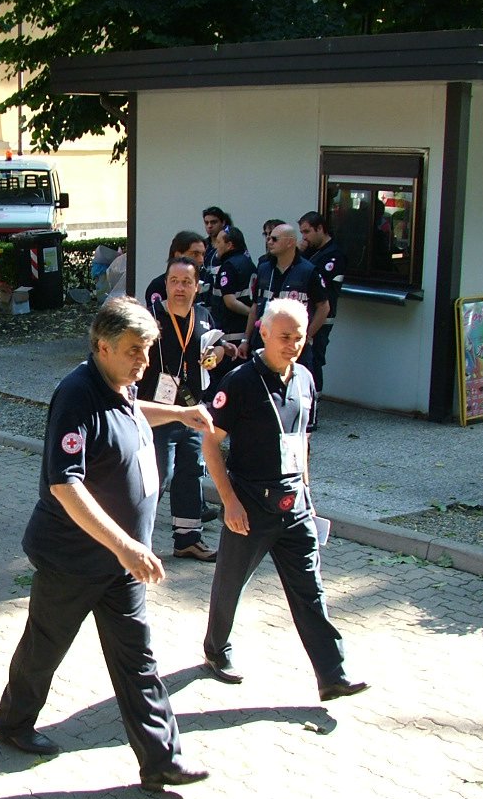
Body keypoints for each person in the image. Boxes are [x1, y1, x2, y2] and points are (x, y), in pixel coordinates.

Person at [0, 297, 212, 792]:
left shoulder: (121, 385)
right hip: (75, 558)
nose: (144, 362)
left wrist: (180, 414)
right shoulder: (76, 395)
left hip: (120, 561)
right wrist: (124, 546)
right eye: (135, 350)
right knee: (44, 648)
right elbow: (64, 485)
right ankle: (12, 720)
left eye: (148, 350)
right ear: (102, 346)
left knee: (139, 660)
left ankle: (161, 759)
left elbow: (134, 411)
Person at [201, 299, 368, 702]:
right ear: (263, 333)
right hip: (250, 504)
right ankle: (215, 650)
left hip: (294, 505)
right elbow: (210, 443)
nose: (292, 344)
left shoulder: (306, 379)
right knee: (230, 582)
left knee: (310, 588)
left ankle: (332, 674)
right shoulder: (239, 382)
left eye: (298, 337)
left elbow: (303, 441)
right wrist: (230, 502)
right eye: (284, 337)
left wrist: (307, 494)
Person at [137, 257, 224, 562]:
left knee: (191, 474)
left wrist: (217, 354)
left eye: (186, 282)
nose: (180, 287)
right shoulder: (150, 319)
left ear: (196, 287)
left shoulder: (204, 316)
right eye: (174, 281)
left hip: (192, 409)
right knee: (156, 477)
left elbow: (219, 345)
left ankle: (188, 539)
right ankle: (134, 541)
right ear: (165, 284)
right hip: (157, 413)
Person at [243, 223, 325, 359]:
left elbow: (323, 307)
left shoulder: (308, 271)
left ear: (290, 242)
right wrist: (245, 340)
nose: (269, 242)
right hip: (262, 343)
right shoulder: (264, 269)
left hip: (291, 348)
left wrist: (305, 336)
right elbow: (255, 307)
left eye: (274, 239)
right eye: (268, 238)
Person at [298, 211, 347, 394]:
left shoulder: (333, 255)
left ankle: (314, 406)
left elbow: (316, 283)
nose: (304, 237)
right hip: (306, 315)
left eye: (307, 232)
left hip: (321, 318)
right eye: (302, 233)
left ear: (320, 229)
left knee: (314, 360)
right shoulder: (311, 251)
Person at [142, 231, 207, 304]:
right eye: (195, 254)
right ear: (178, 255)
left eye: (203, 254)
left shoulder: (204, 280)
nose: (201, 260)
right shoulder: (158, 285)